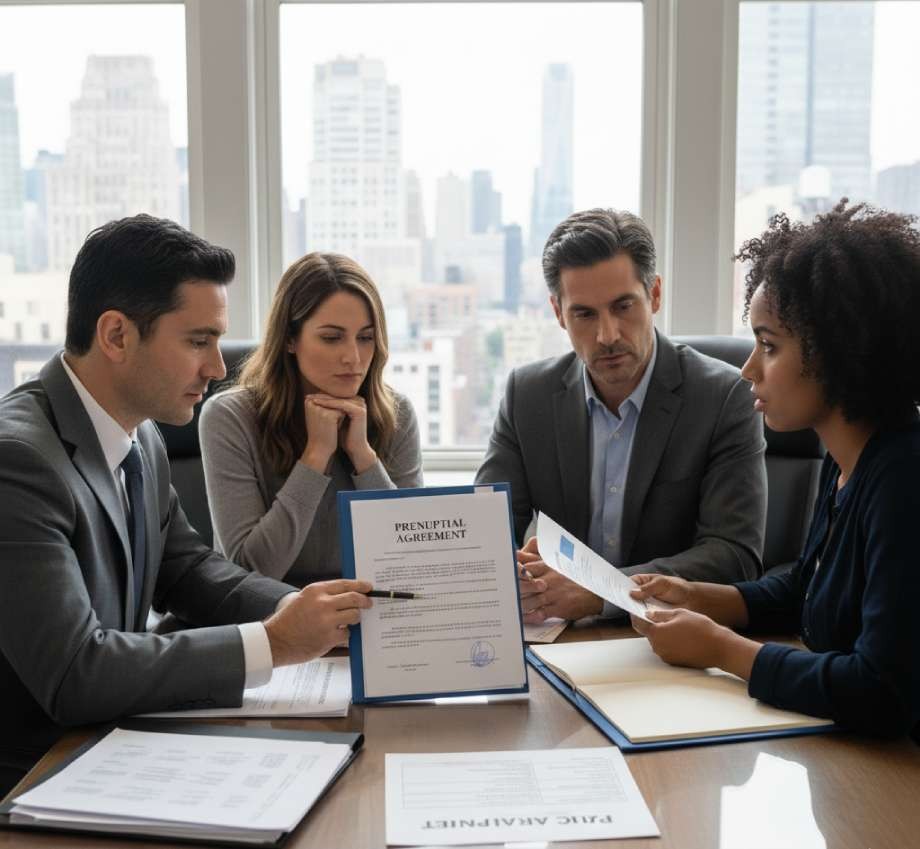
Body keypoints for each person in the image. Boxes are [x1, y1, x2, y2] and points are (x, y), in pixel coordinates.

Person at [0, 216, 373, 794]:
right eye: (199, 341)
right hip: (33, 774)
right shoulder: (17, 460)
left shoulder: (138, 435)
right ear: (117, 335)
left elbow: (189, 571)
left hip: (117, 743)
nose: (219, 369)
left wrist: (316, 616)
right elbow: (76, 672)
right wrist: (274, 643)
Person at [630, 201, 920, 739]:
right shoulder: (844, 457)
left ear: (839, 353)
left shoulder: (905, 483)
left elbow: (880, 688)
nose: (747, 369)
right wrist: (701, 598)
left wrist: (723, 650)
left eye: (768, 346)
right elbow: (807, 592)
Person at [475, 208, 767, 624]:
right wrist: (516, 573)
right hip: (559, 637)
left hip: (668, 639)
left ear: (656, 295)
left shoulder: (724, 396)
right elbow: (486, 534)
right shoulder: (527, 395)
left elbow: (735, 555)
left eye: (623, 306)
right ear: (559, 313)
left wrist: (601, 590)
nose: (607, 335)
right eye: (584, 314)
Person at [199, 252, 422, 585]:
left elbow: (412, 561)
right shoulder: (229, 417)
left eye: (365, 337)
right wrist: (316, 456)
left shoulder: (397, 413)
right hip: (272, 622)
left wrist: (364, 458)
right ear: (290, 339)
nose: (353, 357)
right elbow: (249, 571)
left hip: (370, 619)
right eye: (332, 338)